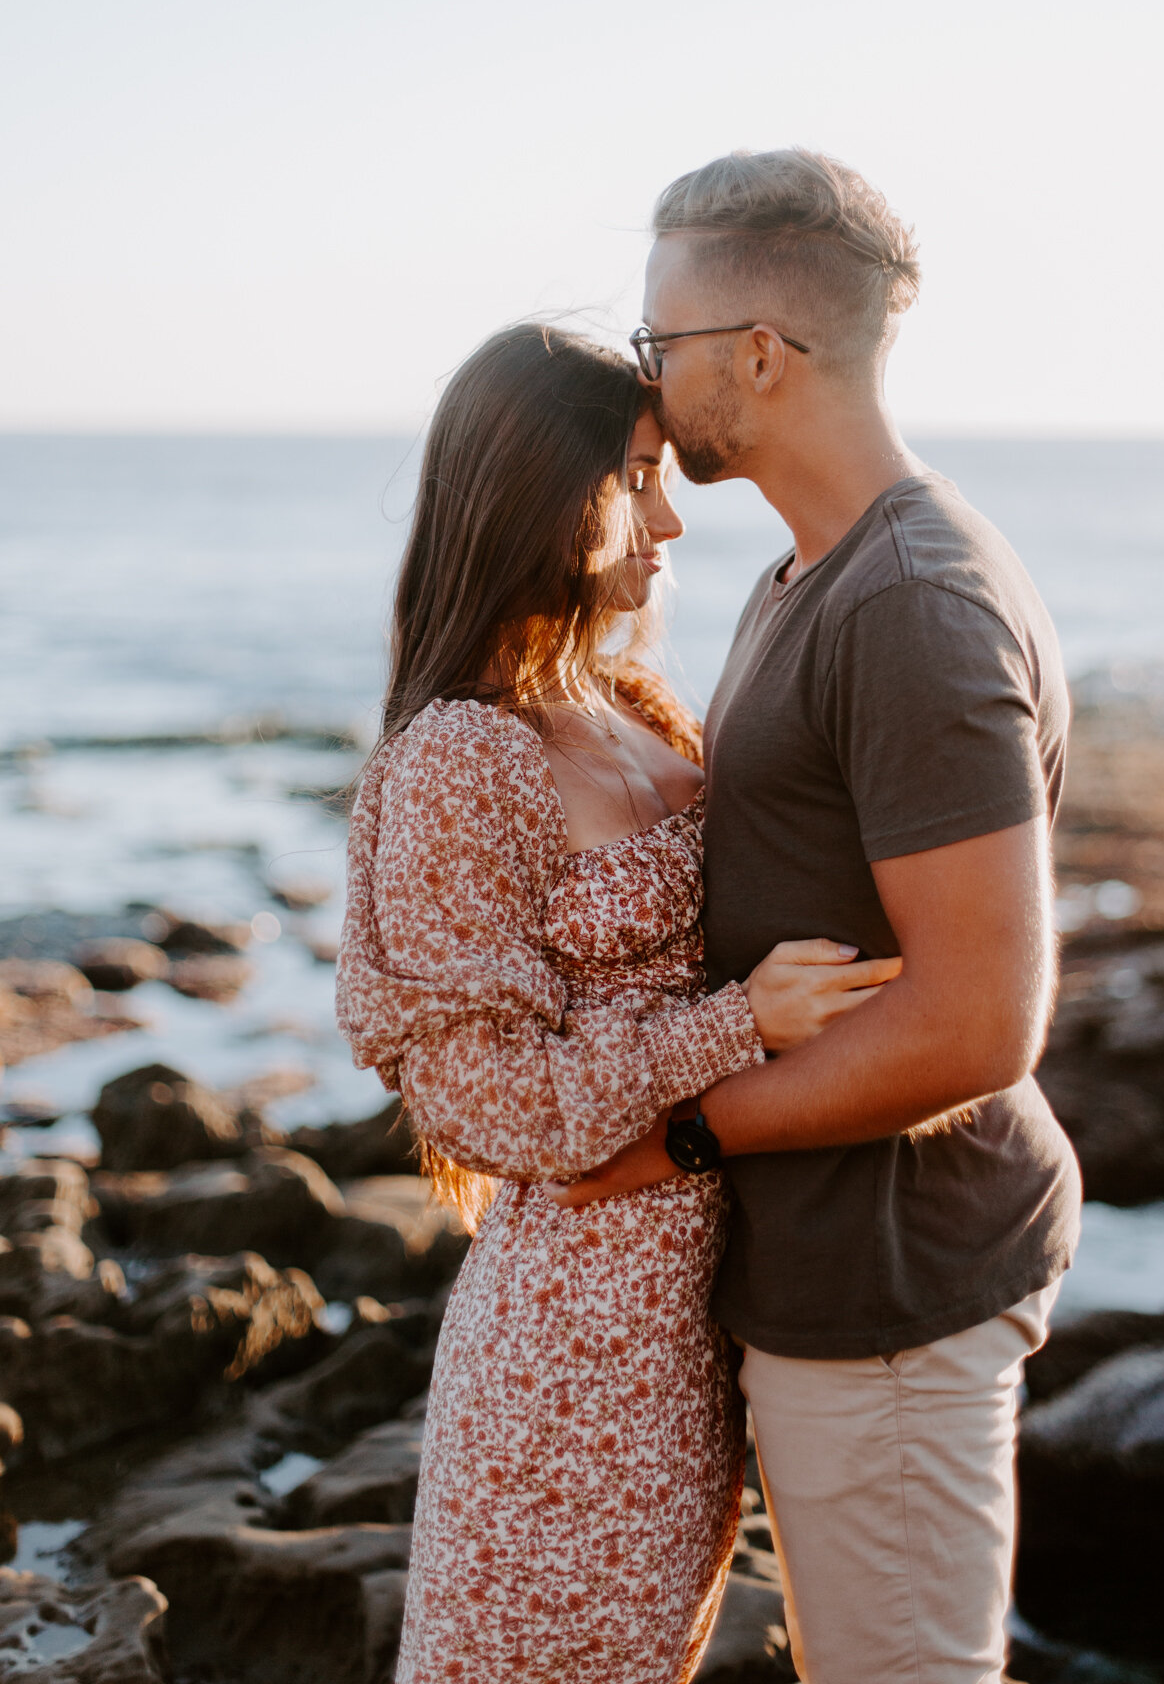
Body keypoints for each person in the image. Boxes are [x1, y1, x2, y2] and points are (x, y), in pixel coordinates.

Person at [552, 149, 1082, 1684]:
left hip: (897, 1283)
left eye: (660, 346)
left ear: (761, 356)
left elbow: (979, 1022)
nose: (645, 384)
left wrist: (675, 1134)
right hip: (834, 1270)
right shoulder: (808, 573)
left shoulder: (913, 602)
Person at [335, 323, 898, 1684]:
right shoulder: (464, 758)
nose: (666, 519)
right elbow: (491, 1107)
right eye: (633, 477)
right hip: (570, 1344)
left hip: (694, 1318)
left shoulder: (633, 702)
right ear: (540, 489)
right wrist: (738, 1025)